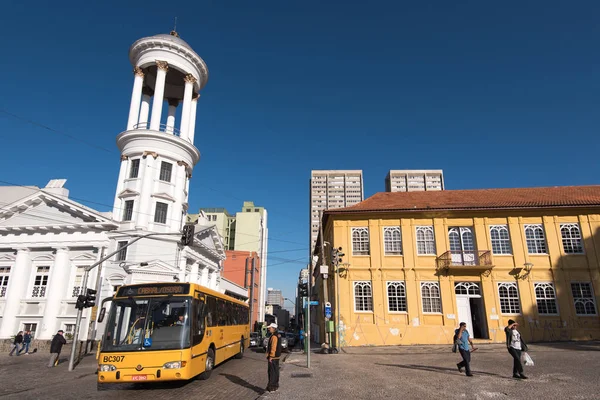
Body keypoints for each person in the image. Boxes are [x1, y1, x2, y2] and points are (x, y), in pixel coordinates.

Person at [265, 323, 282, 392]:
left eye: (270, 328)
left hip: (273, 357)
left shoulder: (274, 336)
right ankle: (275, 385)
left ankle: (271, 387)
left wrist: (271, 356)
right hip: (277, 357)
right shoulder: (278, 335)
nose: (269, 329)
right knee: (276, 371)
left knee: (271, 372)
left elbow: (273, 347)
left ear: (273, 328)